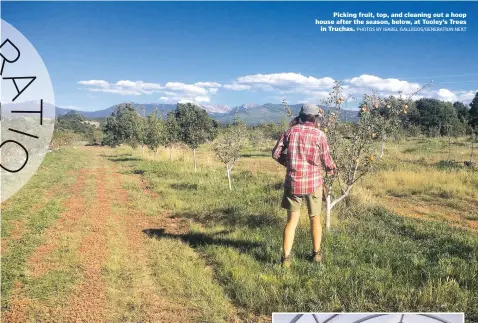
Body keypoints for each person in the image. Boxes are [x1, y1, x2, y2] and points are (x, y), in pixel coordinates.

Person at [272, 103, 336, 267]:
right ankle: (316, 255)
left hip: (293, 183)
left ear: (300, 116)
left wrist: (290, 164)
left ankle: (285, 259)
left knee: (291, 221)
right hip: (313, 183)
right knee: (315, 219)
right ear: (315, 118)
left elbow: (276, 153)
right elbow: (326, 159)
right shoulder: (319, 135)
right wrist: (331, 169)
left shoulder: (290, 132)